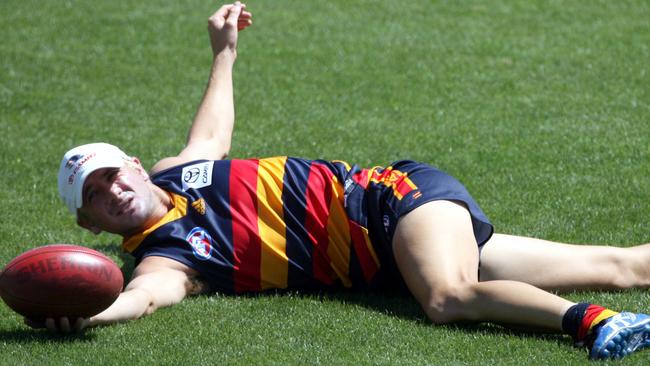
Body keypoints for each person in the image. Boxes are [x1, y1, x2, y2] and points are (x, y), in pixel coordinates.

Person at [36, 2, 650, 360]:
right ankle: (616, 298)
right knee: (625, 265)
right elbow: (144, 299)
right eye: (94, 195)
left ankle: (595, 323)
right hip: (389, 258)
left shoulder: (178, 171)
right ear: (89, 225)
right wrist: (91, 314)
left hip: (386, 201)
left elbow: (212, 137)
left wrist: (224, 52)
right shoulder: (162, 261)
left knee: (447, 297)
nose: (112, 190)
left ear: (137, 167)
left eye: (112, 174)